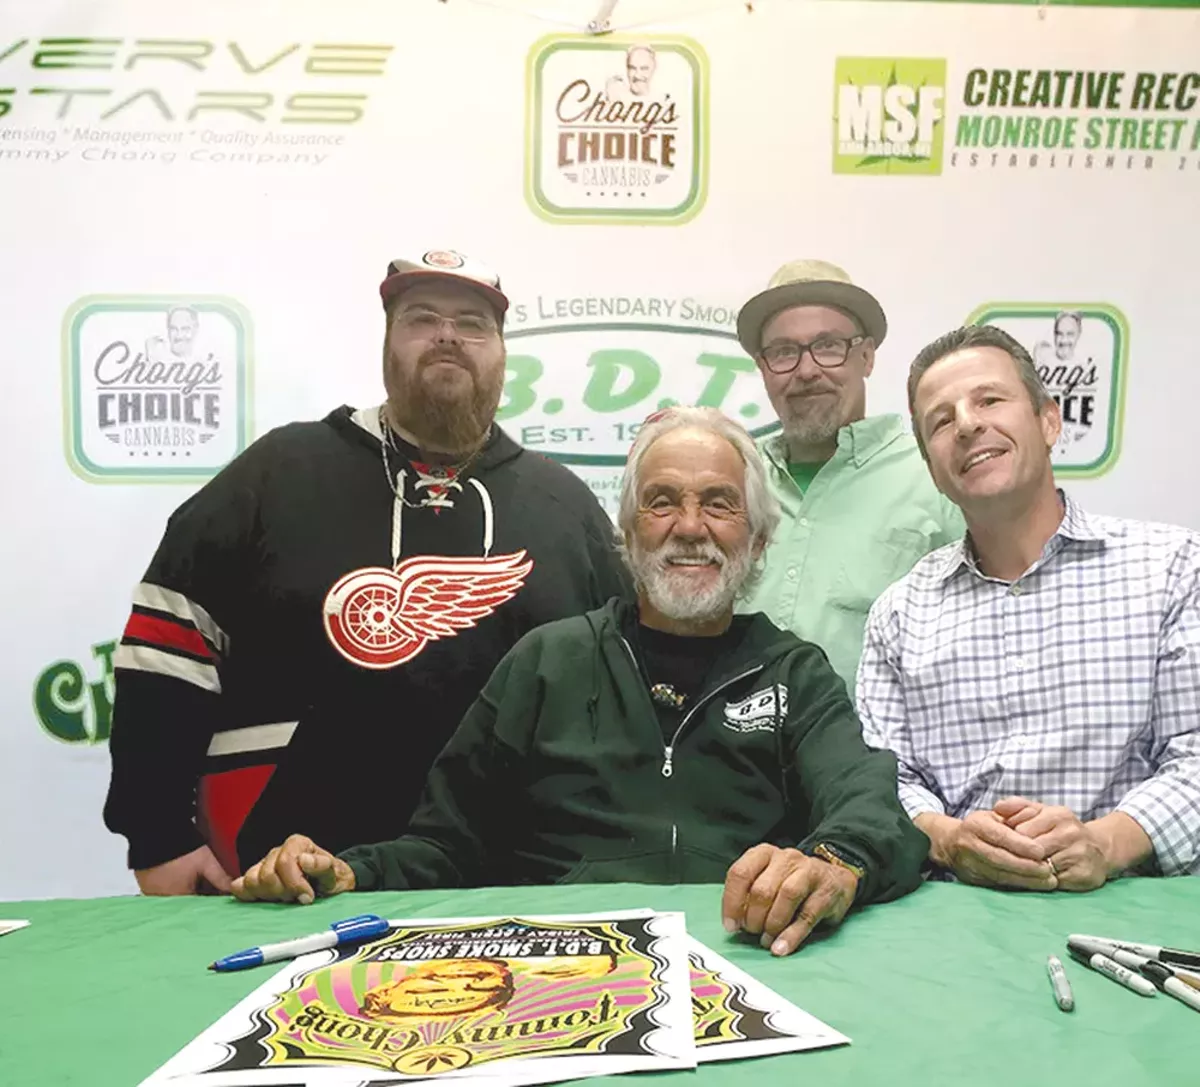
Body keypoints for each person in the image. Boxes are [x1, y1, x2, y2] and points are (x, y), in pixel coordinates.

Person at [230, 407, 929, 958]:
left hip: (744, 955)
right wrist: (346, 870)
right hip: (557, 968)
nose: (690, 527)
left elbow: (870, 808)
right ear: (626, 533)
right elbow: (445, 845)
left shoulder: (793, 670)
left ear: (759, 540)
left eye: (719, 503)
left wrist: (834, 861)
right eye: (662, 502)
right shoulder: (547, 660)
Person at [103, 248, 630, 895]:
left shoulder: (564, 508)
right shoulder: (279, 474)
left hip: (512, 887)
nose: (446, 335)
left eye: (472, 323)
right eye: (421, 317)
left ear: (501, 351)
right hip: (286, 884)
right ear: (386, 342)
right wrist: (157, 835)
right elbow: (166, 650)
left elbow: (627, 693)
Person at [858, 323, 1200, 889]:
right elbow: (886, 779)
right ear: (931, 467)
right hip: (955, 913)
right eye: (940, 421)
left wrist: (1104, 843)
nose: (967, 424)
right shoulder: (900, 613)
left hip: (1133, 906)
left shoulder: (1172, 567)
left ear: (1048, 421)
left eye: (989, 399)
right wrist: (949, 838)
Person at [734, 259, 963, 688]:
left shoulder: (937, 479)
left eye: (828, 346)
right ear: (764, 369)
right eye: (784, 352)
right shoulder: (733, 478)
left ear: (866, 356)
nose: (806, 371)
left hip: (872, 753)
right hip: (730, 748)